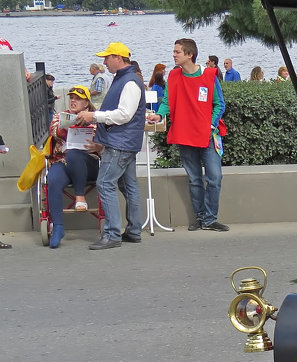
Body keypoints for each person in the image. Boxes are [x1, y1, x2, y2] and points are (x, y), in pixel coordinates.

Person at [147, 38, 229, 232]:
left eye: (177, 52)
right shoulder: (174, 77)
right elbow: (167, 101)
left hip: (207, 136)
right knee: (194, 179)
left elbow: (219, 104)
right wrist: (159, 114)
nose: (174, 55)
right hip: (184, 134)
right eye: (174, 51)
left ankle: (210, 219)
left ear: (190, 54)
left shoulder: (210, 75)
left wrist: (210, 125)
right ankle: (200, 218)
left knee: (214, 178)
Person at [74, 42, 145, 250]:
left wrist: (93, 116)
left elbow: (124, 115)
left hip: (119, 142)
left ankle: (112, 234)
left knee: (105, 183)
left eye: (107, 57)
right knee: (129, 186)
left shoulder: (128, 81)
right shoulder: (127, 79)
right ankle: (132, 231)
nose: (104, 61)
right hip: (125, 141)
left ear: (118, 58)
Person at [44, 85, 102, 248]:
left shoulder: (96, 119)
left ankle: (80, 196)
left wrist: (98, 147)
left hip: (88, 162)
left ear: (86, 103)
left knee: (75, 154)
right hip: (64, 161)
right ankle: (58, 227)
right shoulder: (60, 117)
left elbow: (104, 142)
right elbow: (54, 131)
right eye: (71, 98)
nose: (73, 101)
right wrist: (71, 123)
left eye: (78, 99)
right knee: (53, 178)